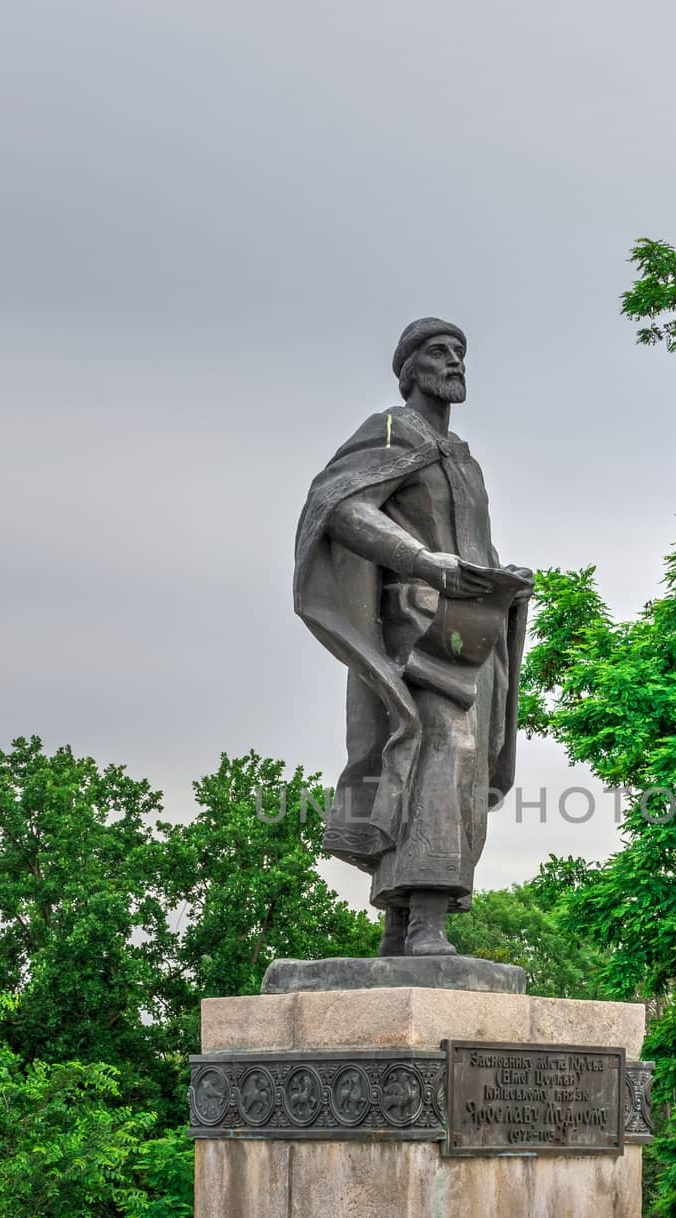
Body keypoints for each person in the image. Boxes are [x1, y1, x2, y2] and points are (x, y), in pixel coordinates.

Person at [294, 318, 532, 956]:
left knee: (462, 764)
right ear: (409, 370)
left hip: (474, 634)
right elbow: (338, 506)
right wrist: (422, 560)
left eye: (460, 352)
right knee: (435, 755)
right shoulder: (393, 431)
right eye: (438, 352)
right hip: (417, 631)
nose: (454, 361)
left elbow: (469, 547)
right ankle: (426, 916)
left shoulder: (467, 461)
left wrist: (502, 576)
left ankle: (401, 927)